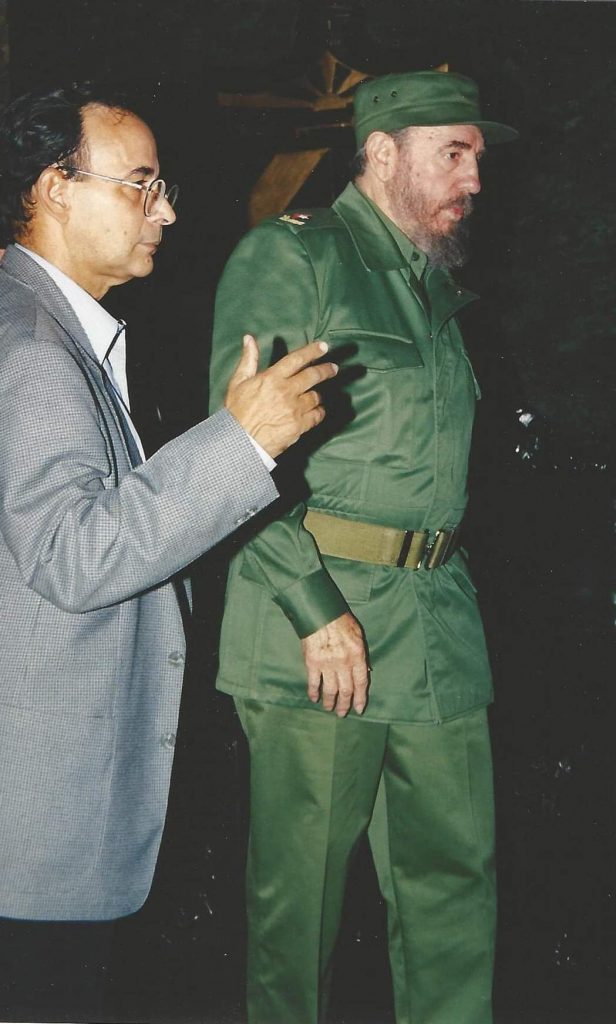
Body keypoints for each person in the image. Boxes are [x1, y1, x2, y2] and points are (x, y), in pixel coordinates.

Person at [209, 69, 518, 1024]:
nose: (474, 179)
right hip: (317, 629)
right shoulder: (292, 258)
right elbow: (232, 459)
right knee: (298, 909)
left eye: (476, 156)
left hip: (436, 625)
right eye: (453, 154)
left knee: (454, 898)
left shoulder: (431, 279)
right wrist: (315, 610)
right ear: (382, 153)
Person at [0, 82, 338, 925]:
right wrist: (242, 444)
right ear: (54, 188)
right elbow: (74, 557)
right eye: (140, 185)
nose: (166, 211)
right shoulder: (35, 351)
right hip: (40, 812)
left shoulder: (48, 328)